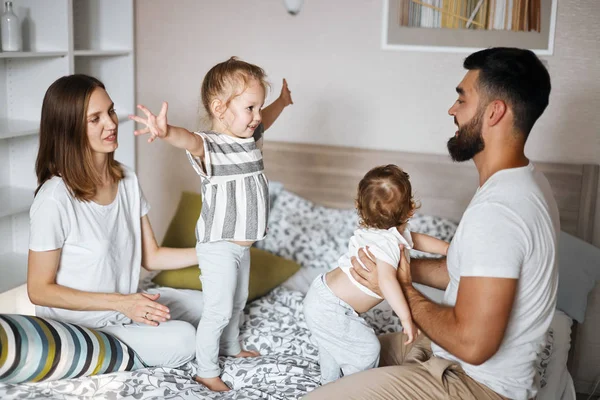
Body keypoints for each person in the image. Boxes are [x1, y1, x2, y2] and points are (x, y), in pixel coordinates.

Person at [304, 47, 558, 400]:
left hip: (475, 384)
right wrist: (394, 268)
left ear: (495, 112)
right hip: (449, 359)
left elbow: (473, 345)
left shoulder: (501, 210)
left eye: (462, 100)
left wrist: (403, 289)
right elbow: (470, 270)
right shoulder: (526, 184)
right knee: (353, 348)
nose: (452, 110)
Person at [129, 57, 293, 392]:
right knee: (218, 310)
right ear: (220, 108)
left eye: (258, 107)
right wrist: (166, 132)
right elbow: (189, 139)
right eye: (251, 107)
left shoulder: (249, 138)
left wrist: (281, 103)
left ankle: (231, 348)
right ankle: (206, 369)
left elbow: (267, 121)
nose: (257, 116)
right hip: (218, 244)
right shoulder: (213, 146)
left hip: (243, 244)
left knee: (238, 300)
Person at [27, 74, 205, 369]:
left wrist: (215, 249)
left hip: (124, 305)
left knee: (208, 306)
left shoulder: (126, 177)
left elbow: (151, 256)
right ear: (69, 129)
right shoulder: (54, 198)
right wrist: (122, 303)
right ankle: (102, 351)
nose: (111, 123)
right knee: (184, 339)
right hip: (80, 324)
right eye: (94, 119)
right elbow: (39, 289)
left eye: (109, 111)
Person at [303, 164, 449, 384]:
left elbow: (417, 240)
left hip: (322, 296)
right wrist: (406, 317)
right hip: (332, 308)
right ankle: (355, 389)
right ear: (411, 209)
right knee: (367, 351)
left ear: (359, 207)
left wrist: (448, 249)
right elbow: (387, 280)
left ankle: (329, 385)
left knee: (334, 352)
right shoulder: (387, 245)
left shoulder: (388, 235)